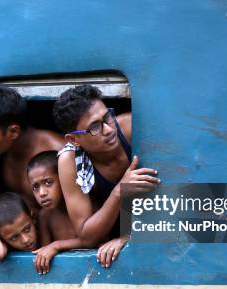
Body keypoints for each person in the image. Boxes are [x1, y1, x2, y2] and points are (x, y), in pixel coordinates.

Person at [53, 85, 159, 268]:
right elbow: (87, 235)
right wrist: (119, 192)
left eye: (107, 117)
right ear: (74, 140)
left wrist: (128, 237)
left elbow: (180, 195)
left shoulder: (131, 129)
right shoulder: (70, 161)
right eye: (94, 127)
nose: (109, 129)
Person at [0, 86, 64, 261]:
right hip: (40, 257)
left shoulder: (61, 153)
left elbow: (110, 194)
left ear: (13, 131)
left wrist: (127, 238)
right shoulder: (3, 160)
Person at [26, 151, 84, 274]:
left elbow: (94, 239)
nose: (42, 193)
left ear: (63, 179)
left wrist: (56, 246)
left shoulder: (86, 204)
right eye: (35, 187)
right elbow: (44, 252)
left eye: (48, 182)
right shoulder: (45, 216)